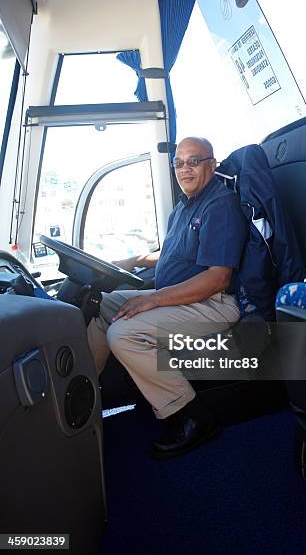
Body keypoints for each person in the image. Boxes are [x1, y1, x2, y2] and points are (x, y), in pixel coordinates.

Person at [87, 137, 247, 458]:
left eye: (194, 161)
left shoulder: (220, 205)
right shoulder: (183, 207)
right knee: (103, 303)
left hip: (212, 303)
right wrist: (132, 260)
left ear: (211, 164)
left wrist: (153, 300)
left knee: (124, 333)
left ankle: (191, 416)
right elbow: (169, 255)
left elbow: (218, 278)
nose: (184, 169)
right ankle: (85, 399)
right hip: (178, 296)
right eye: (179, 163)